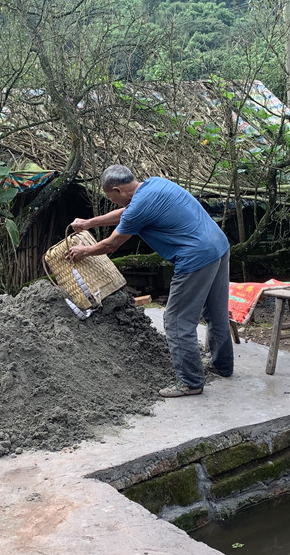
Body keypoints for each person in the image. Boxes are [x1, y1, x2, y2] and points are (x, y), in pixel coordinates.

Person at [65, 164, 233, 397]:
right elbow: (127, 213)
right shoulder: (155, 184)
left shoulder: (137, 208)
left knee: (176, 320)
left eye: (110, 197)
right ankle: (222, 365)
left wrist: (85, 251)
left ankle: (190, 382)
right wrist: (89, 223)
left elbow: (111, 244)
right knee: (216, 311)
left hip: (196, 257)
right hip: (218, 245)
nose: (112, 201)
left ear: (117, 190)